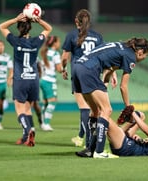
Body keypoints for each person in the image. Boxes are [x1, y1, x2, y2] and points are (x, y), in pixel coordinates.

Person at [74, 37, 148, 158]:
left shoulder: (120, 46)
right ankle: (99, 152)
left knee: (95, 111)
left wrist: (106, 81)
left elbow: (108, 67)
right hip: (89, 70)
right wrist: (128, 108)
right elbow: (123, 87)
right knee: (107, 110)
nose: (144, 58)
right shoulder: (131, 57)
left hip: (78, 67)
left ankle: (90, 149)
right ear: (140, 52)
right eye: (145, 56)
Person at [0, 13, 52, 146]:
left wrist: (16, 18)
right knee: (28, 109)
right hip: (34, 80)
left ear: (19, 28)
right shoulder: (36, 41)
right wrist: (38, 20)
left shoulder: (15, 41)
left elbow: (2, 26)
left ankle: (28, 131)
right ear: (30, 28)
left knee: (19, 109)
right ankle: (25, 136)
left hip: (21, 79)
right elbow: (48, 28)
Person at [61, 9, 104, 147]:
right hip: (94, 73)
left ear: (76, 21)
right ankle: (85, 137)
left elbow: (64, 57)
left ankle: (86, 141)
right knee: (95, 109)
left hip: (79, 72)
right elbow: (104, 56)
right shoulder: (98, 37)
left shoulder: (72, 35)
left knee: (84, 107)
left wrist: (63, 68)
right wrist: (112, 74)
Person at [39, 35, 63, 131]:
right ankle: (46, 123)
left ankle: (42, 122)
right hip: (49, 80)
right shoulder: (55, 54)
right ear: (55, 43)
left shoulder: (45, 52)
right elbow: (58, 69)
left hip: (42, 79)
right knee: (52, 102)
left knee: (45, 102)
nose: (59, 44)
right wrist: (63, 67)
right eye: (58, 42)